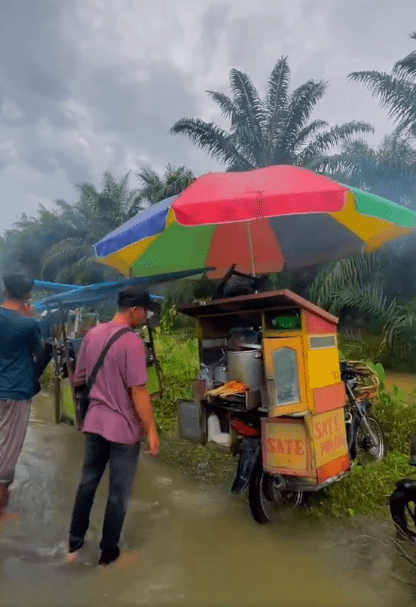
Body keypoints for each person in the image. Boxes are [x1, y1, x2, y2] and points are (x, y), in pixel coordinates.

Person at [67, 287, 160, 566]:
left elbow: (78, 378)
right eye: (144, 312)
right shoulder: (132, 342)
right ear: (134, 311)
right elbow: (139, 391)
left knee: (87, 483)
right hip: (123, 430)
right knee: (118, 493)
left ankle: (73, 547)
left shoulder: (92, 334)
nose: (145, 317)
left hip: (94, 423)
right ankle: (108, 555)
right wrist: (152, 430)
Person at [0, 273, 42, 520]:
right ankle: (1, 514)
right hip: (14, 393)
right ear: (28, 296)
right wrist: (29, 317)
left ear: (5, 291)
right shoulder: (27, 324)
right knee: (6, 455)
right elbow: (38, 350)